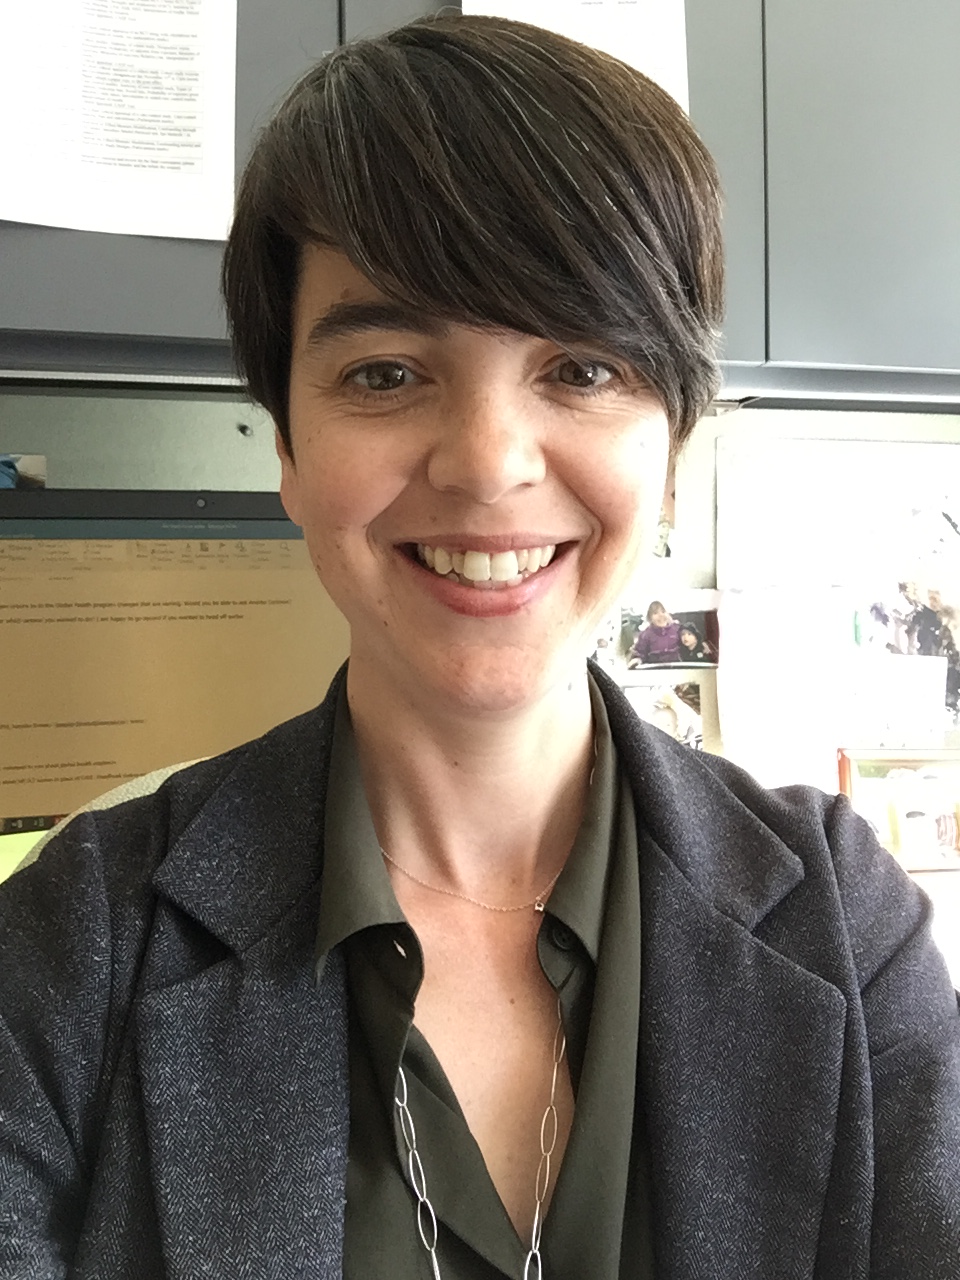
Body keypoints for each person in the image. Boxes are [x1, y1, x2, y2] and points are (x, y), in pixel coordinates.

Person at [1, 14, 958, 1279]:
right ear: (285, 447)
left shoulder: (843, 921)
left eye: (581, 364)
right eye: (388, 373)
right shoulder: (81, 938)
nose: (491, 462)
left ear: (671, 454)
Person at [629, 600, 682, 664]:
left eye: (663, 611)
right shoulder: (645, 635)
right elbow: (639, 654)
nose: (661, 615)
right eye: (655, 613)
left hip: (677, 669)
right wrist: (637, 660)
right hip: (655, 670)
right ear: (650, 618)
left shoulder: (677, 629)